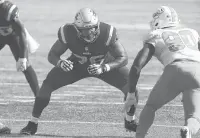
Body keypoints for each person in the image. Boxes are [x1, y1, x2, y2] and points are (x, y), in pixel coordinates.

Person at [19, 7, 138, 135]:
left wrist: (105, 67)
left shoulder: (107, 32)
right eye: (84, 30)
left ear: (97, 25)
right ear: (77, 29)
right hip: (76, 66)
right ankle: (33, 123)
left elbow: (123, 57)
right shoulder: (68, 32)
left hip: (104, 64)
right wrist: (61, 63)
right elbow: (52, 54)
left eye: (92, 28)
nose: (89, 33)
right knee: (46, 86)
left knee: (132, 89)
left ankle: (130, 120)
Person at [123, 6, 200, 138]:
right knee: (194, 116)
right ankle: (188, 130)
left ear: (160, 20)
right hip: (197, 71)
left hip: (175, 69)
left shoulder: (155, 35)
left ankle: (140, 136)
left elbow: (137, 66)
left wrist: (130, 93)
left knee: (151, 106)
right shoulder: (192, 32)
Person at [0, 0, 40, 134]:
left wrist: (23, 57)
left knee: (25, 65)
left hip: (13, 36)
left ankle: (39, 96)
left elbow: (21, 30)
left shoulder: (5, 9)